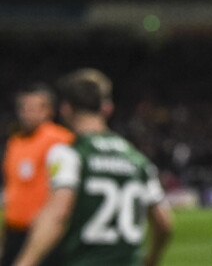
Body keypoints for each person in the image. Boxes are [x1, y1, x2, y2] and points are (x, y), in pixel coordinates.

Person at [11, 69, 173, 266]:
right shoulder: (138, 160)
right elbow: (164, 224)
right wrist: (152, 259)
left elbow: (57, 215)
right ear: (107, 108)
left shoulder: (70, 154)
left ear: (66, 109)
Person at [2, 84, 73, 266]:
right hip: (14, 230)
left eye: (34, 108)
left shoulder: (59, 139)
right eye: (24, 108)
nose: (27, 113)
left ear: (49, 111)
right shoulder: (15, 141)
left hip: (41, 232)